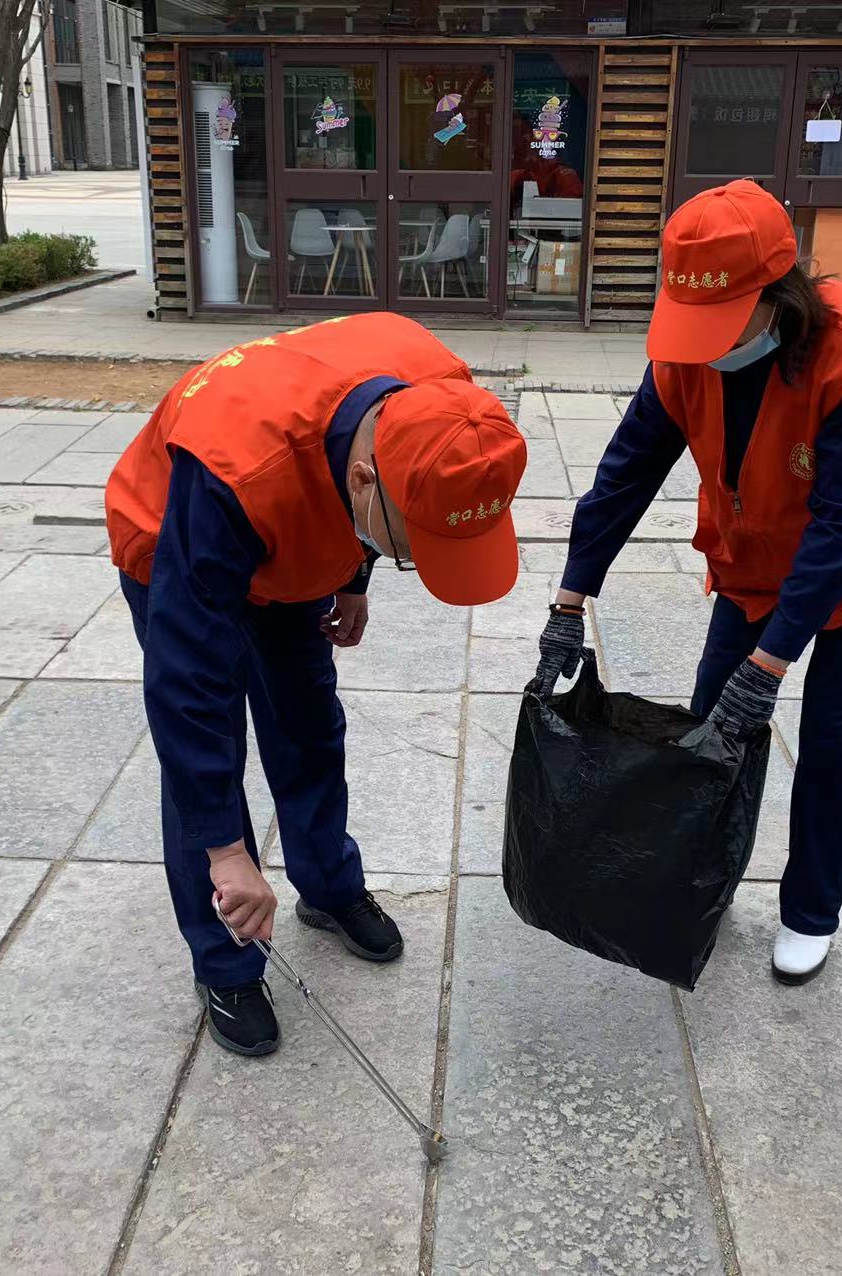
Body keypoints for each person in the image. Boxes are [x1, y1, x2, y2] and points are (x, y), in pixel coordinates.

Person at [533, 180, 842, 986]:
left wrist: (771, 665)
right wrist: (569, 602)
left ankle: (811, 910)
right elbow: (626, 473)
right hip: (753, 557)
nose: (706, 343)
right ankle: (703, 879)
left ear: (777, 295)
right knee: (712, 724)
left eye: (724, 319)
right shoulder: (684, 352)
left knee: (833, 735)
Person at [108, 314, 527, 1055]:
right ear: (364, 483)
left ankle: (329, 886)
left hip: (297, 525)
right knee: (208, 752)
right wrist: (226, 851)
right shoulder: (234, 469)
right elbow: (187, 686)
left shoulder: (446, 403)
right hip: (177, 536)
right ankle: (227, 961)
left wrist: (355, 575)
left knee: (308, 724)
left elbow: (390, 483)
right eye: (416, 550)